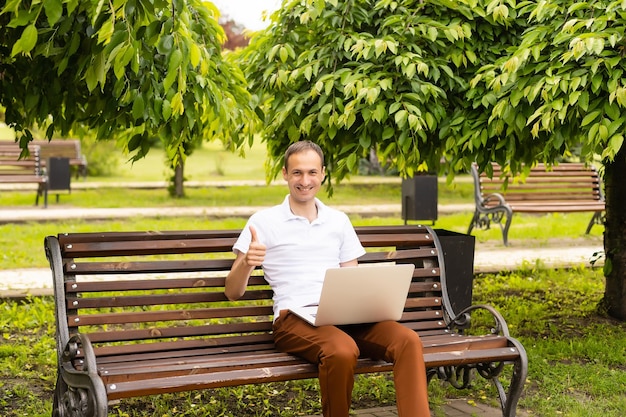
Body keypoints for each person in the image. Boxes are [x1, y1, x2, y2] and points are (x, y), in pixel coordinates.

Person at [225, 141, 430, 417]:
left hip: (344, 315)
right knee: (342, 350)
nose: (305, 181)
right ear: (285, 174)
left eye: (312, 172)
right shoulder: (263, 222)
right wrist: (247, 263)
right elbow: (232, 292)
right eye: (297, 173)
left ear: (323, 174)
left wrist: (369, 300)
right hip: (294, 318)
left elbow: (351, 276)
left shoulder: (338, 221)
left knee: (408, 341)